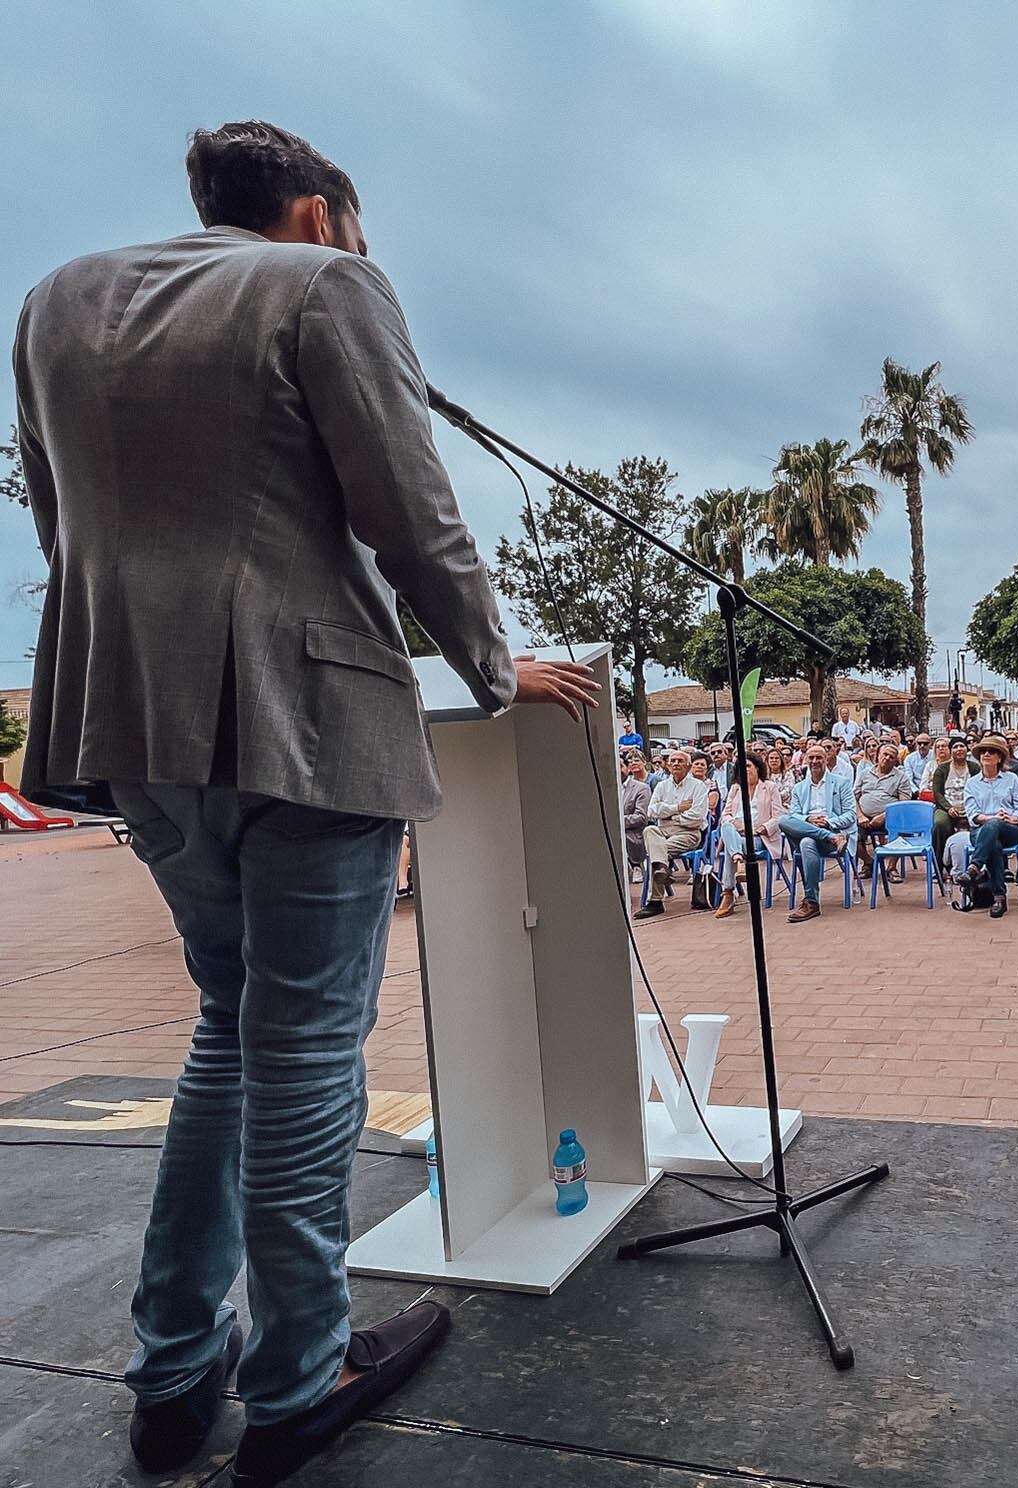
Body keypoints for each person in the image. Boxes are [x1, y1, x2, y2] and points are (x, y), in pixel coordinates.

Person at [12, 119, 607, 1481]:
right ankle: (294, 1378)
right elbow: (410, 507)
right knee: (307, 1056)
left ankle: (172, 1374)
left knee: (229, 1021)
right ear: (319, 210)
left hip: (131, 720)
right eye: (354, 224)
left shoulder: (52, 301)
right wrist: (493, 667)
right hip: (310, 719)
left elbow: (58, 521)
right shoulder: (327, 286)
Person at [781, 744, 857, 922]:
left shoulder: (841, 783)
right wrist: (808, 819)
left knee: (806, 842)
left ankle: (811, 901)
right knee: (784, 822)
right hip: (819, 835)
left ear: (826, 760)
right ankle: (812, 902)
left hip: (831, 829)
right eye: (811, 758)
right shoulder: (799, 788)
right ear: (806, 760)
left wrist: (828, 822)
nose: (815, 761)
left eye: (819, 758)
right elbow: (794, 815)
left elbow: (851, 815)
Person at [956, 736, 1018, 918]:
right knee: (993, 843)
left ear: (1000, 758)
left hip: (1009, 830)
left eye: (992, 751)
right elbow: (972, 815)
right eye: (983, 752)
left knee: (995, 827)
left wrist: (1013, 817)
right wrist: (992, 818)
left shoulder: (1011, 779)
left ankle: (974, 867)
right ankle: (999, 897)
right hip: (981, 830)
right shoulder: (972, 783)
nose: (986, 754)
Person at [635, 748, 711, 918]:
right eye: (673, 761)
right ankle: (662, 869)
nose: (676, 763)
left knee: (656, 851)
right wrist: (677, 808)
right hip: (663, 831)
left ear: (689, 765)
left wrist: (670, 817)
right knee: (649, 829)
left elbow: (697, 817)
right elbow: (651, 811)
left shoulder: (698, 787)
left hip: (689, 833)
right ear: (668, 765)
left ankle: (655, 901)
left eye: (680, 761)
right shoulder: (662, 786)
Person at [715, 754, 784, 919]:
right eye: (742, 768)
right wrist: (738, 825)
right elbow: (725, 815)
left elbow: (779, 816)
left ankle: (728, 893)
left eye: (748, 766)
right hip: (738, 834)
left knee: (731, 843)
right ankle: (739, 860)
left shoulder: (770, 787)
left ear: (757, 768)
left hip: (760, 837)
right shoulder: (736, 788)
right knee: (727, 826)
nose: (745, 770)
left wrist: (759, 829)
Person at [853, 739, 916, 875]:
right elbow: (853, 797)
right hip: (864, 818)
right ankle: (869, 862)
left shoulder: (901, 777)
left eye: (891, 757)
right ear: (878, 756)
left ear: (895, 761)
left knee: (902, 828)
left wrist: (884, 816)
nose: (887, 758)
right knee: (850, 835)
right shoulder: (865, 774)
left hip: (890, 817)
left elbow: (903, 804)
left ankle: (891, 868)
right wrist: (860, 816)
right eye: (885, 754)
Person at [929, 734, 973, 870]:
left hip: (970, 807)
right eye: (955, 747)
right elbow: (937, 793)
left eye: (962, 746)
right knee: (939, 824)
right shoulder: (942, 769)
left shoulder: (975, 768)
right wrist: (948, 808)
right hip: (946, 807)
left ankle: (976, 865)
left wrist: (971, 808)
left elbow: (979, 790)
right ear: (950, 750)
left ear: (967, 749)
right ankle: (939, 866)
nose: (959, 749)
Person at [619, 748, 652, 879]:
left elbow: (641, 817)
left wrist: (618, 822)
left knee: (621, 836)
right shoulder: (609, 789)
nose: (617, 770)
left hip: (634, 833)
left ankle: (636, 866)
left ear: (628, 768)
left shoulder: (641, 788)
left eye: (620, 766)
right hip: (613, 830)